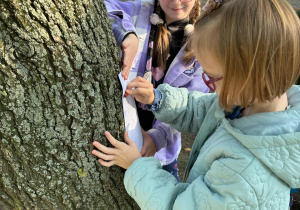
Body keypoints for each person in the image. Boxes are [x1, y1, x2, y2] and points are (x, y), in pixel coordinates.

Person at [92, 0, 300, 208]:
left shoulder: (244, 171)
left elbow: (179, 205)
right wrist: (158, 99)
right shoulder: (248, 104)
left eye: (211, 78)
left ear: (248, 78)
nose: (208, 86)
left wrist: (136, 167)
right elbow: (201, 108)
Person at [104, 0, 209, 181]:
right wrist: (126, 32)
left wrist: (156, 138)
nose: (176, 2)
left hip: (161, 155)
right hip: (118, 139)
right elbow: (103, 6)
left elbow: (190, 104)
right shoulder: (140, 11)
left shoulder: (205, 43)